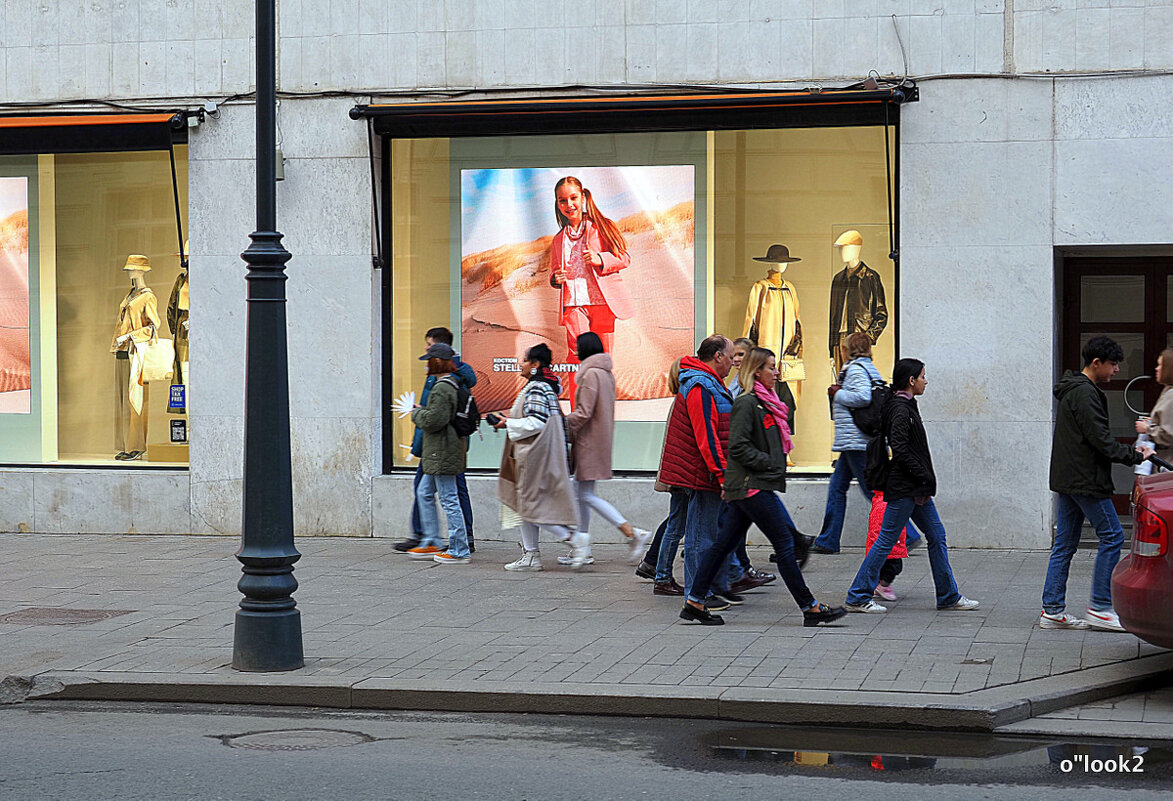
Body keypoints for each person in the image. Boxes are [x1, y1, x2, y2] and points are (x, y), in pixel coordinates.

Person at [680, 348, 847, 627]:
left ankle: (695, 601)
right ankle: (811, 607)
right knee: (784, 544)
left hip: (753, 484)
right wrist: (769, 462)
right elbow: (739, 446)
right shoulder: (747, 403)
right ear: (757, 370)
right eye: (771, 367)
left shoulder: (765, 402)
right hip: (750, 485)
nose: (776, 372)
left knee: (724, 545)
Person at [844, 358, 979, 614]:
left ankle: (948, 595)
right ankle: (858, 595)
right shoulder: (900, 409)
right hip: (907, 487)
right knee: (886, 540)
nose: (926, 381)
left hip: (915, 487)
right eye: (923, 376)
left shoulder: (904, 405)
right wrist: (922, 479)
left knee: (937, 536)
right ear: (911, 380)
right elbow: (901, 450)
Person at [1044, 336, 1151, 631]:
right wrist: (1134, 453)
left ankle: (1052, 610)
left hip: (1070, 478)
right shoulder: (1085, 394)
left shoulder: (1074, 389)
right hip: (1084, 479)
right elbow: (1101, 441)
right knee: (1114, 536)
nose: (1116, 370)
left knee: (1064, 544)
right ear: (1096, 363)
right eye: (1113, 364)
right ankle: (1101, 607)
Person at [813, 332, 921, 554]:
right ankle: (828, 540)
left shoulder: (854, 369)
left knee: (873, 491)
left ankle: (907, 534)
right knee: (837, 488)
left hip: (857, 441)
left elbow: (863, 397)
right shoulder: (868, 367)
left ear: (848, 348)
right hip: (854, 441)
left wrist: (838, 393)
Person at [655, 335, 738, 610]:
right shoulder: (701, 385)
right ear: (717, 356)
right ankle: (696, 595)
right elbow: (706, 436)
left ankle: (699, 592)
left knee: (700, 534)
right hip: (703, 474)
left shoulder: (707, 383)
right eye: (731, 357)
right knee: (700, 537)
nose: (733, 364)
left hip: (705, 472)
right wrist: (721, 473)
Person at [493, 343, 587, 571]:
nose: (521, 364)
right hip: (541, 456)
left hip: (535, 457)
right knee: (526, 505)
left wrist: (508, 422)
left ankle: (573, 539)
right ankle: (531, 555)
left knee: (528, 506)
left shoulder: (536, 387)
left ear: (535, 364)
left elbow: (536, 421)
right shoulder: (547, 387)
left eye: (524, 360)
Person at [565, 332, 650, 566]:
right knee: (582, 493)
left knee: (584, 494)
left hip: (588, 441)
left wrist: (561, 421)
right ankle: (584, 548)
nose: (575, 350)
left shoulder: (591, 374)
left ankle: (631, 532)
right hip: (597, 440)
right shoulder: (604, 373)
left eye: (578, 347)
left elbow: (584, 412)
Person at [548, 176, 633, 398]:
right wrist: (556, 278)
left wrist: (600, 259)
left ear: (583, 197)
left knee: (602, 359)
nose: (569, 205)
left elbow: (624, 258)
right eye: (562, 201)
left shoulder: (601, 227)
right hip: (574, 305)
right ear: (557, 204)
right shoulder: (558, 240)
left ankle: (602, 410)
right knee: (577, 356)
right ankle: (579, 413)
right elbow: (553, 275)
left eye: (573, 198)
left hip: (603, 302)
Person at [397, 327, 477, 554]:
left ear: (439, 359)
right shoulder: (443, 380)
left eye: (429, 352)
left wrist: (416, 414)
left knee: (450, 496)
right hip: (438, 447)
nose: (426, 358)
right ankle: (431, 539)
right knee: (426, 491)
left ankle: (458, 546)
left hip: (442, 448)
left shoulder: (443, 384)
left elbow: (436, 418)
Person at [1135, 347, 1173, 466]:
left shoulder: (1171, 396)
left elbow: (1169, 435)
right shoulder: (1168, 390)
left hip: (1168, 462)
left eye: (1160, 365)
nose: (1156, 369)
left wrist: (1148, 428)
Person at [866, 491, 906, 602]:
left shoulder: (881, 500)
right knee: (893, 567)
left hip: (887, 543)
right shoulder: (889, 503)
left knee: (883, 565)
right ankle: (883, 586)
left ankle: (878, 585)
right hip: (889, 544)